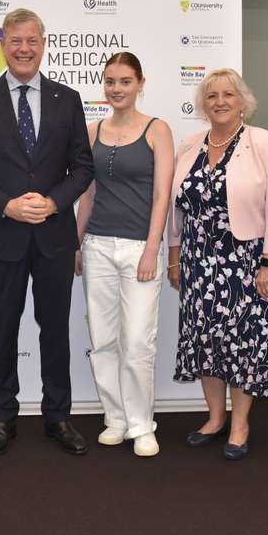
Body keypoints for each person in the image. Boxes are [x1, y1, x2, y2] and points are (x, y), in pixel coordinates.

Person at [0, 8, 95, 458]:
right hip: (2, 236)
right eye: (15, 40)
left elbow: (84, 167)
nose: (24, 48)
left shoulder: (67, 98)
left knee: (55, 330)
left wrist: (54, 202)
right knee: (1, 329)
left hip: (54, 237)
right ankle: (1, 417)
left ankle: (58, 416)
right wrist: (7, 205)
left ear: (43, 43)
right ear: (3, 45)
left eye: (32, 40)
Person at [167, 68, 268, 460]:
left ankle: (240, 424)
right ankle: (215, 418)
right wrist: (174, 256)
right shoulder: (188, 146)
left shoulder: (264, 142)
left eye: (228, 94)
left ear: (242, 102)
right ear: (202, 104)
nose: (219, 101)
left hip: (245, 261)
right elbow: (176, 210)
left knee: (242, 344)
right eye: (211, 95)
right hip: (197, 259)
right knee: (205, 340)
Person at [74, 52, 174, 457]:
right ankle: (114, 418)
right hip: (97, 246)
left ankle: (141, 424)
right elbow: (87, 193)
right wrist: (76, 244)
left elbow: (162, 194)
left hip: (139, 249)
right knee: (103, 340)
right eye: (110, 81)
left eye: (125, 81)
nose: (117, 89)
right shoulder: (92, 129)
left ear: (140, 83)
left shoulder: (157, 129)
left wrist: (153, 248)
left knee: (137, 342)